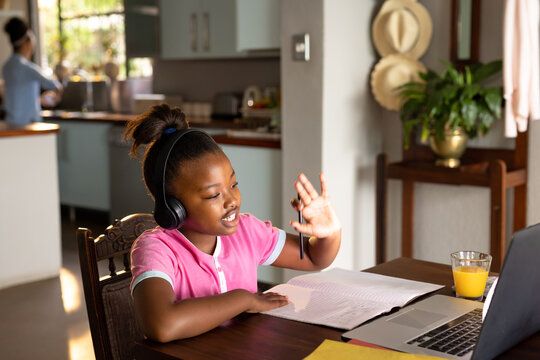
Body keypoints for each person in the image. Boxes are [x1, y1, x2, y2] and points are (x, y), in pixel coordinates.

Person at [124, 104, 342, 342]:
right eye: (213, 195)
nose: (232, 201)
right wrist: (244, 299)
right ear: (173, 208)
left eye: (233, 185)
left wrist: (329, 234)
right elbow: (161, 325)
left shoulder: (247, 231)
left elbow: (313, 258)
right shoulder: (156, 250)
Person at [2, 17, 62, 125]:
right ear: (27, 42)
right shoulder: (28, 68)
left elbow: (19, 96)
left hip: (10, 122)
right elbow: (55, 85)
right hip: (28, 125)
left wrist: (38, 100)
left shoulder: (6, 66)